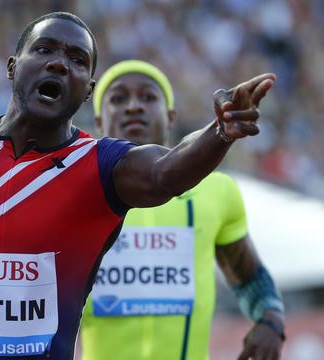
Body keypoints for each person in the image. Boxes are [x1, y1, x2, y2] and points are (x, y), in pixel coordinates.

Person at [0, 12, 276, 360]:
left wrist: (220, 133)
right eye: (46, 51)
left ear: (86, 88)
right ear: (13, 67)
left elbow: (165, 173)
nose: (60, 64)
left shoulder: (100, 166)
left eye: (77, 61)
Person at [79, 60, 285, 360]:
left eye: (149, 97)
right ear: (98, 120)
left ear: (171, 116)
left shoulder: (217, 191)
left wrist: (271, 319)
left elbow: (250, 278)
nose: (134, 106)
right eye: (118, 98)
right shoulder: (80, 193)